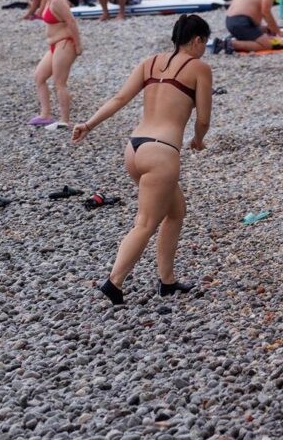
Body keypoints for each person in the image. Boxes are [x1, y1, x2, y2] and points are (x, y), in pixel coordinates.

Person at [72, 15, 213, 306]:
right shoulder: (199, 68)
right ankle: (114, 282)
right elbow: (203, 118)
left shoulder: (150, 62)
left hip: (135, 149)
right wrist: (198, 140)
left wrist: (88, 124)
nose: (204, 49)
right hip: (161, 152)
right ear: (197, 40)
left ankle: (167, 281)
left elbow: (119, 99)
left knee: (176, 211)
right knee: (146, 222)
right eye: (205, 43)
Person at [29, 0, 83, 131]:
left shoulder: (58, 0)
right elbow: (39, 13)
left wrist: (78, 45)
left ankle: (65, 120)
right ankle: (45, 114)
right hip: (54, 45)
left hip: (65, 43)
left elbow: (71, 21)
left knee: (59, 83)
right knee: (39, 76)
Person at [215, 0, 283, 54]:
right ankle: (227, 44)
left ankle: (234, 41)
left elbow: (254, 14)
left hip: (231, 20)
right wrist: (277, 31)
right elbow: (265, 12)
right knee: (266, 45)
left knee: (263, 32)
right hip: (241, 21)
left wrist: (264, 29)